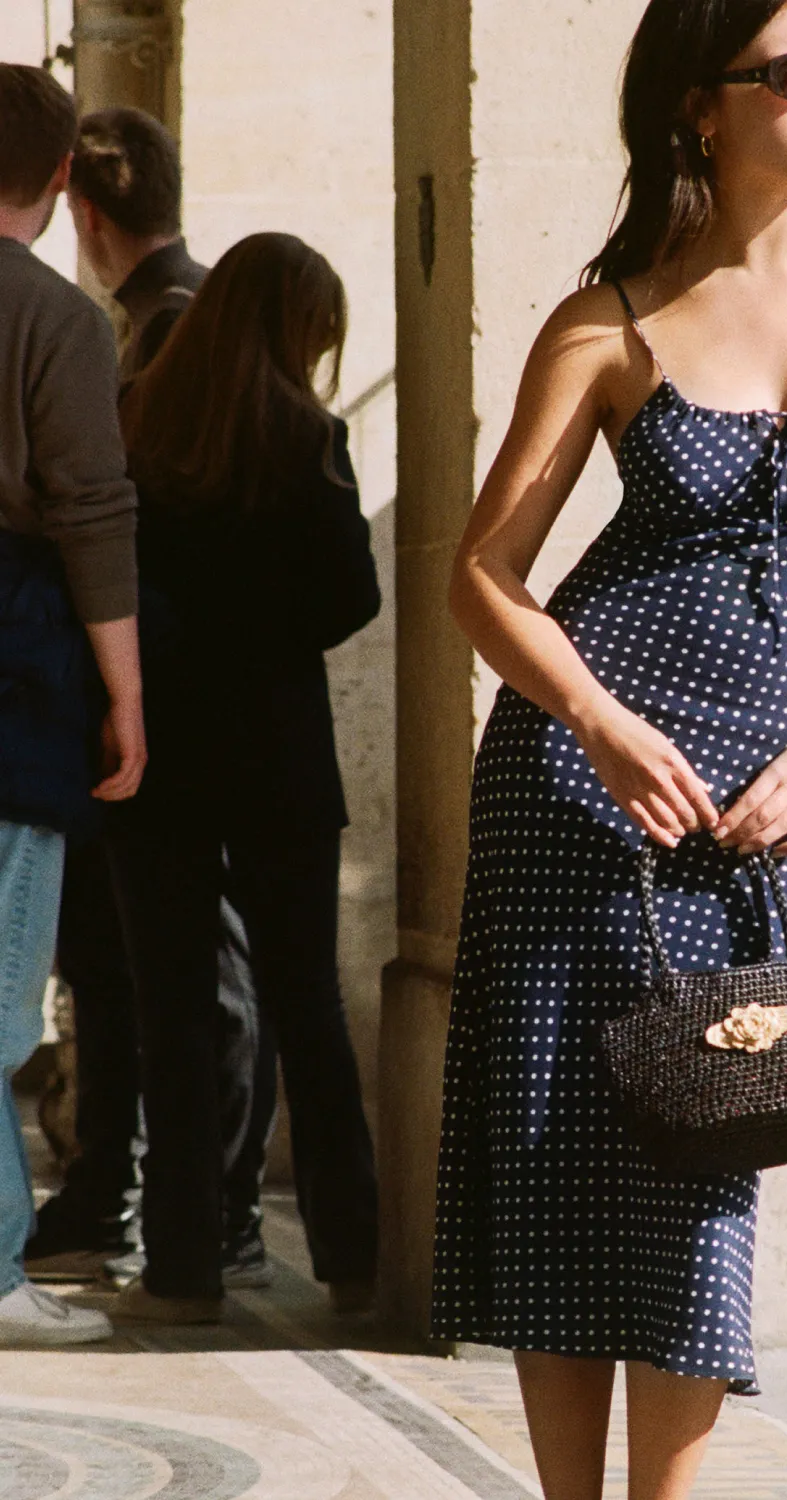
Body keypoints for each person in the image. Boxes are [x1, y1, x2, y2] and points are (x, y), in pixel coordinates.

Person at [431, 0, 787, 1495]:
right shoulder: (607, 319)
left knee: (708, 1147)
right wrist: (598, 727)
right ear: (698, 106)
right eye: (786, 71)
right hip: (585, 792)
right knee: (559, 1161)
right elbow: (482, 570)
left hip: (773, 805)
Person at [106, 231, 381, 1324]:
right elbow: (349, 599)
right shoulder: (310, 439)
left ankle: (180, 1276)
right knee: (307, 1008)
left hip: (157, 757)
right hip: (278, 759)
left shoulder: (139, 427)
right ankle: (355, 1270)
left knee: (170, 1014)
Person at [25, 105, 277, 1289]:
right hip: (126, 688)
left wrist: (131, 683)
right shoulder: (115, 321)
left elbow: (119, 516)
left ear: (84, 204)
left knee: (176, 976)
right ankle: (136, 1203)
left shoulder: (168, 326)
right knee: (121, 967)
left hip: (172, 702)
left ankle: (192, 1213)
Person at [0, 63, 148, 1346]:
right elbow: (93, 514)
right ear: (57, 183)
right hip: (16, 670)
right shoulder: (60, 320)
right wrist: (127, 695)